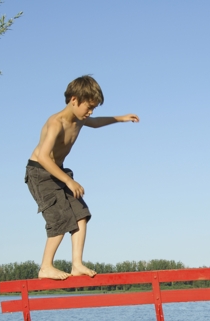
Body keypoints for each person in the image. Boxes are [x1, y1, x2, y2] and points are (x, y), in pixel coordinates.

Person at [25, 75, 139, 280]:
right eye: (89, 107)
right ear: (74, 99)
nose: (91, 112)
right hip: (40, 173)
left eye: (94, 108)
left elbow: (95, 123)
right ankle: (45, 267)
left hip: (57, 171)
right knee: (60, 218)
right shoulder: (55, 123)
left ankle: (76, 264)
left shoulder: (80, 119)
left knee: (80, 214)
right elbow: (43, 156)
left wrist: (121, 118)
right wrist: (68, 180)